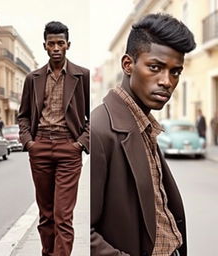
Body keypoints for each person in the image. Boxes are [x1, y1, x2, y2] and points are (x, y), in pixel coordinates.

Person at [91, 13, 196, 256]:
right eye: (155, 67)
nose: (167, 81)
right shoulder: (99, 130)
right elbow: (84, 231)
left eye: (175, 72)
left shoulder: (144, 124)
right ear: (128, 64)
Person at [18, 21, 89, 256]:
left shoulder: (82, 76)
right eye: (51, 44)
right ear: (45, 46)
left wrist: (80, 143)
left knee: (63, 217)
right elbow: (24, 116)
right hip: (40, 149)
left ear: (68, 45)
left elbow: (92, 115)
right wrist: (29, 143)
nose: (56, 47)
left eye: (60, 43)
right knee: (46, 215)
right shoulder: (33, 78)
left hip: (69, 149)